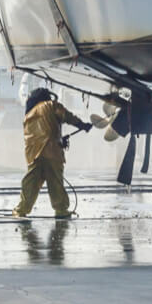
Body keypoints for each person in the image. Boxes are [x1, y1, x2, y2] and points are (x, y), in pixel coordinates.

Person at [13, 87, 91, 219]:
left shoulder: (28, 114)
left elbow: (38, 135)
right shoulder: (50, 105)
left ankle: (21, 210)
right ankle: (61, 210)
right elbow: (67, 116)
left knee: (30, 184)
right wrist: (82, 125)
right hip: (52, 152)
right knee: (55, 183)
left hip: (34, 155)